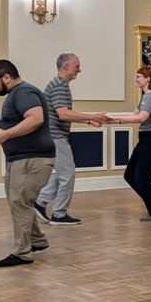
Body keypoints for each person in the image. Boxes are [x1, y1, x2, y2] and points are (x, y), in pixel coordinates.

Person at [0, 60, 56, 268]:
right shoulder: (18, 94)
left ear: (6, 77)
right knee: (19, 201)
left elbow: (35, 119)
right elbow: (20, 117)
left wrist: (6, 134)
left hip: (32, 158)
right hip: (21, 158)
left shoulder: (23, 92)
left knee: (20, 201)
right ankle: (37, 240)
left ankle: (22, 252)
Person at [35, 52, 106, 226]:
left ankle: (40, 202)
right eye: (77, 66)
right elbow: (63, 114)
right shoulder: (59, 85)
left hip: (53, 136)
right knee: (68, 174)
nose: (79, 70)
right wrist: (92, 116)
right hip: (56, 136)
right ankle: (59, 214)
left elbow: (63, 113)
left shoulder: (60, 84)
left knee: (62, 174)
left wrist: (90, 120)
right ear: (65, 66)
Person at [110, 66, 151, 221]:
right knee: (129, 175)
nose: (136, 79)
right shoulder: (146, 96)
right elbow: (134, 114)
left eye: (138, 76)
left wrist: (116, 120)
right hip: (146, 140)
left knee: (141, 179)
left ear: (148, 78)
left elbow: (141, 118)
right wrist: (109, 117)